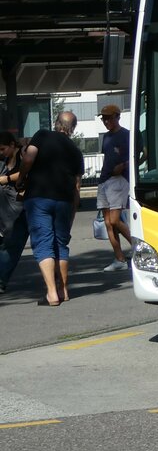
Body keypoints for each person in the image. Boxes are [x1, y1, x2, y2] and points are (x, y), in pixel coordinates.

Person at [14, 111, 83, 306]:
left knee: (44, 242)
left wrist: (20, 180)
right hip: (64, 202)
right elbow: (76, 188)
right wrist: (72, 213)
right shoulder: (76, 152)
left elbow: (28, 159)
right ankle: (64, 290)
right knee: (61, 244)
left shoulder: (42, 135)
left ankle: (52, 293)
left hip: (39, 198)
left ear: (56, 123)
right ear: (73, 128)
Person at [97, 104, 134, 272]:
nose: (106, 121)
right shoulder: (106, 137)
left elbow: (142, 154)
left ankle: (139, 248)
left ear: (118, 117)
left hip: (119, 180)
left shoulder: (127, 134)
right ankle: (119, 258)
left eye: (109, 118)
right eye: (104, 118)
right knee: (108, 223)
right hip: (104, 180)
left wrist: (125, 164)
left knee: (114, 220)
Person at [0, 132, 28, 294]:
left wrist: (7, 179)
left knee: (12, 244)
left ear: (12, 145)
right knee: (8, 244)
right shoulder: (4, 160)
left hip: (20, 207)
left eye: (3, 149)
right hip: (8, 210)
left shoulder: (24, 154)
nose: (1, 152)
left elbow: (27, 171)